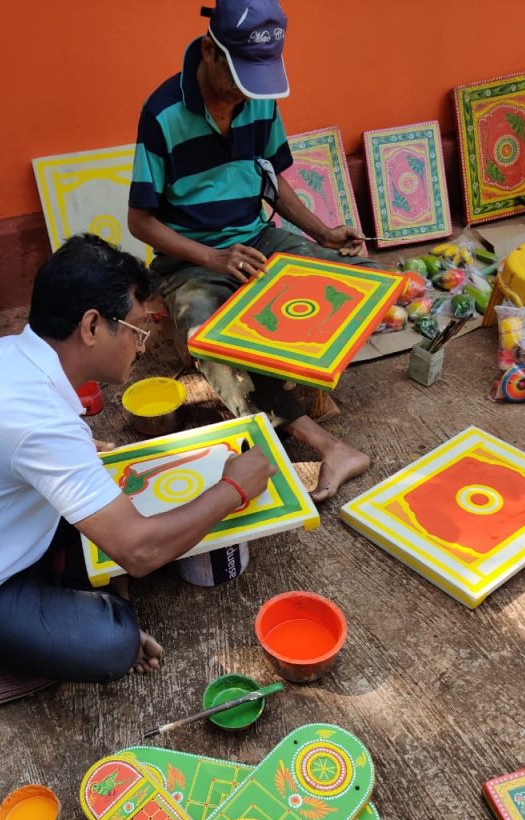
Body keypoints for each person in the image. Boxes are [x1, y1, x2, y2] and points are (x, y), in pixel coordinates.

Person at [0, 234, 275, 683]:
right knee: (113, 642)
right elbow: (139, 551)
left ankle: (72, 583)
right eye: (136, 329)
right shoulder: (35, 419)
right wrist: (233, 488)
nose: (144, 345)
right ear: (92, 326)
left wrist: (70, 457)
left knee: (129, 506)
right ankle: (79, 606)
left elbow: (5, 446)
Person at [129, 0, 373, 503]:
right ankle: (324, 443)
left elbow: (272, 179)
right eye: (239, 76)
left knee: (354, 281)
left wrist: (323, 233)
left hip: (257, 238)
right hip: (190, 258)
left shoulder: (260, 98)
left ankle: (295, 377)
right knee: (210, 336)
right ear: (208, 52)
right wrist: (214, 259)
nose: (247, 92)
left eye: (257, 79)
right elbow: (140, 221)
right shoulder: (162, 114)